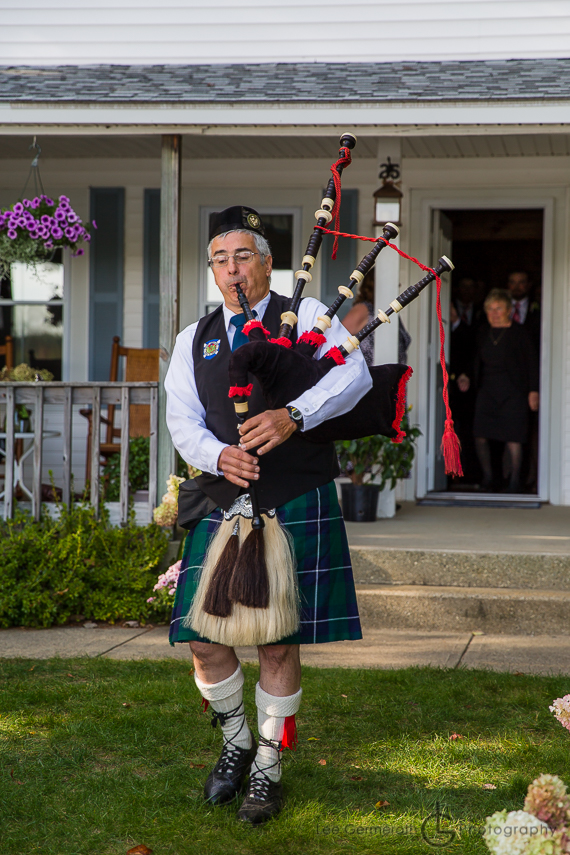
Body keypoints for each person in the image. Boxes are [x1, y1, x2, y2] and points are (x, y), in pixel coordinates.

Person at [164, 206, 371, 825]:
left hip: (294, 496)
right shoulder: (193, 337)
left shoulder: (308, 314)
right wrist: (217, 454)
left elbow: (353, 375)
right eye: (220, 259)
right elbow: (181, 419)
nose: (232, 269)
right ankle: (234, 744)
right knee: (204, 639)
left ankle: (268, 768)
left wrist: (295, 416)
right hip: (224, 497)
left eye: (243, 256)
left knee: (278, 646)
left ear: (267, 262)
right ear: (212, 268)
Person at [458, 288, 539, 493]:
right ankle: (488, 478)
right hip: (487, 391)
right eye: (490, 309)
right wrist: (466, 374)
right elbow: (475, 357)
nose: (494, 313)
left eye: (499, 308)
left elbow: (532, 363)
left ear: (509, 310)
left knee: (514, 437)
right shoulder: (483, 331)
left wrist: (533, 391)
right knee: (480, 435)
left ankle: (514, 482)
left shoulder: (520, 333)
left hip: (514, 392)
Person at [343, 270, 411, 366]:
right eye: (393, 283)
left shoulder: (390, 311)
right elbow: (339, 341)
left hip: (394, 377)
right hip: (372, 377)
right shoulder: (363, 309)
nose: (398, 286)